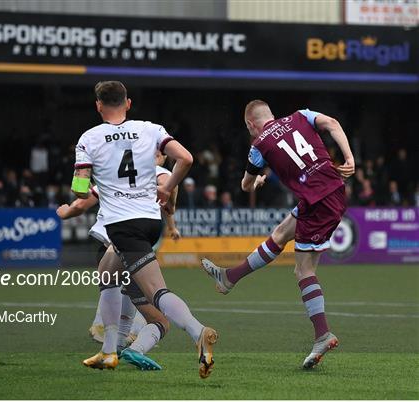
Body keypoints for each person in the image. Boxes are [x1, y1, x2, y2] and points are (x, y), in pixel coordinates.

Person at [71, 81, 217, 378]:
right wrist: (169, 188)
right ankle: (109, 352)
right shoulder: (151, 129)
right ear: (128, 103)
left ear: (98, 105)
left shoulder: (89, 138)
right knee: (107, 274)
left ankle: (197, 331)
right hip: (150, 221)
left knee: (156, 291)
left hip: (123, 225)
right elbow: (186, 158)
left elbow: (80, 188)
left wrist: (81, 191)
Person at [202, 100, 354, 369]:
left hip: (320, 200)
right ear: (271, 115)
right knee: (281, 233)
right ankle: (229, 277)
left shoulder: (258, 144)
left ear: (251, 124)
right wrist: (350, 158)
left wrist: (258, 180)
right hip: (329, 190)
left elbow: (246, 185)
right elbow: (333, 124)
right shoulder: (301, 116)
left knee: (303, 270)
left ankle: (322, 334)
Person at [57, 155, 179, 371]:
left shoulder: (113, 174)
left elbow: (82, 197)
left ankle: (113, 345)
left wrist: (66, 210)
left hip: (108, 245)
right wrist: (171, 216)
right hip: (129, 246)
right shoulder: (160, 175)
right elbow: (172, 186)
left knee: (117, 290)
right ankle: (128, 346)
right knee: (159, 316)